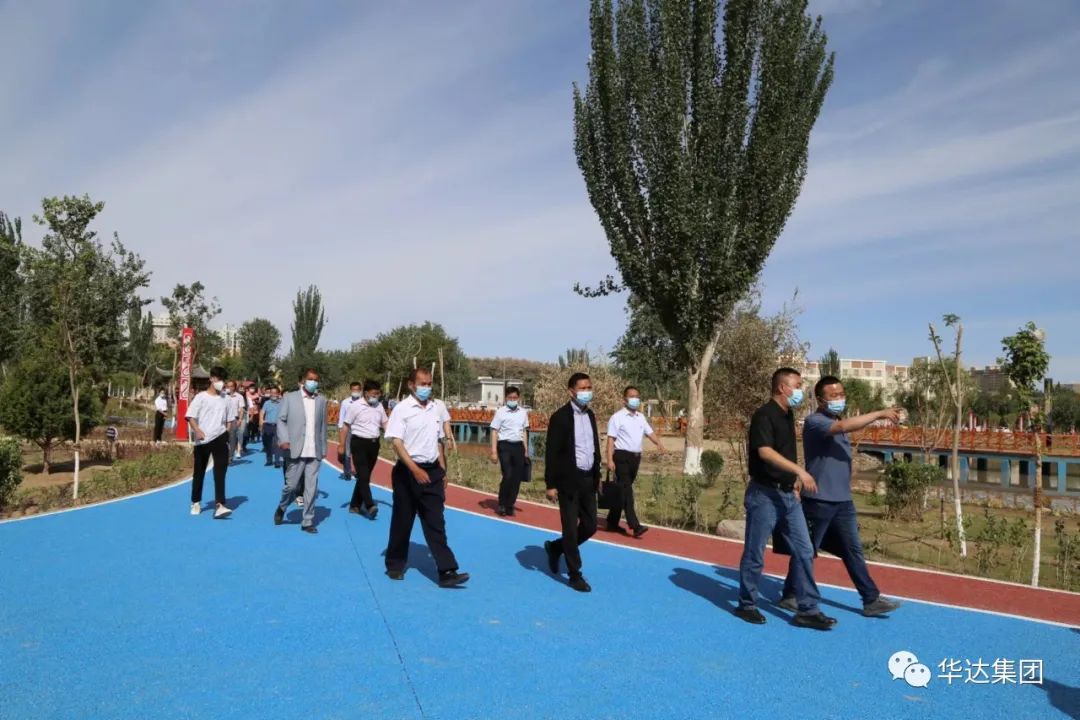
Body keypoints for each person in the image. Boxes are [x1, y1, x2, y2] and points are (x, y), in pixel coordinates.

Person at [775, 375, 903, 617]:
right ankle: (790, 594)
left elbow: (844, 428)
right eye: (833, 395)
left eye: (841, 394)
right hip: (819, 500)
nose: (839, 399)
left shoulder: (837, 421)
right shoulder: (815, 422)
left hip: (843, 502)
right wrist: (880, 414)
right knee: (807, 550)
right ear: (820, 399)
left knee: (853, 550)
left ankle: (870, 599)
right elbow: (843, 427)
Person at [735, 368, 835, 630]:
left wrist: (794, 482)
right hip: (764, 495)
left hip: (788, 496)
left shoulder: (788, 414)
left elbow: (786, 453)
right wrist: (800, 471)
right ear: (782, 387)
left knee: (805, 550)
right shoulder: (764, 415)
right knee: (755, 552)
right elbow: (765, 452)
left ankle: (808, 610)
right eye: (797, 385)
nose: (801, 390)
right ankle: (747, 604)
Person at [384, 368, 469, 588]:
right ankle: (395, 564)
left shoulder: (435, 408)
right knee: (403, 519)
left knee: (436, 522)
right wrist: (414, 469)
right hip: (407, 471)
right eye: (422, 383)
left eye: (429, 383)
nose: (426, 388)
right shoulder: (402, 409)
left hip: (432, 471)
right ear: (411, 385)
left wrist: (442, 470)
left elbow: (439, 441)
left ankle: (447, 570)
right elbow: (396, 443)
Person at [543, 372, 601, 593]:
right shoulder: (560, 417)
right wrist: (550, 484)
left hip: (588, 479)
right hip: (568, 481)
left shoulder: (590, 415)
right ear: (571, 392)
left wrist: (597, 474)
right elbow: (552, 453)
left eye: (589, 387)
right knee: (569, 528)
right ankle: (575, 574)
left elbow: (594, 446)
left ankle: (556, 547)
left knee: (591, 525)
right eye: (582, 388)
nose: (587, 392)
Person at [605, 386, 665, 538]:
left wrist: (658, 443)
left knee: (622, 490)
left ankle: (612, 522)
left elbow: (649, 432)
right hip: (621, 456)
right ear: (624, 399)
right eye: (632, 396)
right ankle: (635, 525)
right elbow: (611, 440)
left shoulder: (640, 417)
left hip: (635, 458)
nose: (635, 399)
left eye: (637, 396)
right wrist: (609, 459)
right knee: (627, 491)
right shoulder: (617, 417)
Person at [273, 368, 327, 534]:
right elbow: (281, 420)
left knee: (311, 488)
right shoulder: (290, 398)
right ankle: (282, 506)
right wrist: (284, 439)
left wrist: (323, 447)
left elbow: (323, 426)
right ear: (303, 380)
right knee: (291, 486)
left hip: (314, 450)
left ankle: (307, 520)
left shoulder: (321, 400)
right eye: (310, 379)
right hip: (295, 448)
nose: (313, 382)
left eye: (316, 380)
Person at [185, 367, 232, 519]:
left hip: (220, 437)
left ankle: (220, 504)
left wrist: (226, 432)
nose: (220, 382)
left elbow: (230, 419)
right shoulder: (201, 397)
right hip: (203, 438)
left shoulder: (226, 399)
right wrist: (197, 430)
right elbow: (190, 416)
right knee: (199, 472)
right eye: (218, 379)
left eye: (222, 380)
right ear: (211, 379)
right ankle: (195, 501)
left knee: (220, 472)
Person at [340, 380, 388, 518]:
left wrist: (393, 435)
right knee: (363, 475)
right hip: (359, 443)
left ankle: (355, 504)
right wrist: (341, 445)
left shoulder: (379, 406)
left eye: (378, 393)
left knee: (364, 476)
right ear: (366, 393)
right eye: (373, 393)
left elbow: (385, 422)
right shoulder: (355, 406)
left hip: (374, 444)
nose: (376, 396)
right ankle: (369, 505)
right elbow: (345, 426)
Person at [488, 386, 529, 517]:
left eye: (515, 398)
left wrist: (526, 449)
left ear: (519, 398)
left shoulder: (523, 412)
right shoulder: (500, 412)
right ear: (506, 398)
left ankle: (510, 504)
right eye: (510, 398)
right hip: (504, 445)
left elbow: (524, 431)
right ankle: (502, 503)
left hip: (518, 446)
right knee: (508, 475)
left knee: (516, 478)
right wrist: (494, 451)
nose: (512, 400)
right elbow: (494, 431)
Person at [338, 382, 362, 480]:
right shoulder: (345, 402)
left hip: (360, 430)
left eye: (357, 390)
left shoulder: (364, 402)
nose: (355, 391)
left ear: (360, 390)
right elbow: (341, 418)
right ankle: (347, 472)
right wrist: (341, 431)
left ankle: (358, 471)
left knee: (358, 452)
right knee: (347, 452)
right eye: (353, 390)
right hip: (348, 429)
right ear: (351, 390)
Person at [259, 385, 282, 468]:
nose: (273, 394)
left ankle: (277, 461)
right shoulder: (266, 403)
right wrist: (261, 422)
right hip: (267, 426)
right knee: (267, 444)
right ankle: (269, 460)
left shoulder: (282, 403)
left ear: (278, 394)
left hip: (278, 426)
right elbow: (262, 413)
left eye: (275, 393)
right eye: (271, 393)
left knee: (277, 444)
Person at [224, 380, 245, 462]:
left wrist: (240, 419)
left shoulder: (239, 396)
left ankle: (230, 456)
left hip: (234, 419)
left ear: (235, 387)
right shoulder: (222, 395)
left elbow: (241, 408)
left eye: (231, 386)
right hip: (223, 420)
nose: (229, 388)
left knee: (232, 438)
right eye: (228, 386)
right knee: (223, 438)